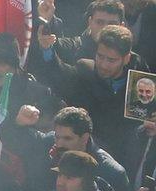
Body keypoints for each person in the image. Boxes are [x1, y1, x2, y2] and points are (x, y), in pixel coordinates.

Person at [35, 25, 147, 165]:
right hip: (82, 157)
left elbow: (140, 126)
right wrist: (47, 50)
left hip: (123, 160)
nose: (104, 65)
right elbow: (61, 76)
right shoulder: (85, 71)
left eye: (111, 60)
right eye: (100, 56)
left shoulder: (141, 84)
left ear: (126, 58)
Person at [2, 105, 131, 191]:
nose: (59, 144)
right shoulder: (48, 142)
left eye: (67, 139)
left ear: (85, 138)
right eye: (57, 137)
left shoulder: (109, 171)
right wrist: (18, 122)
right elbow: (15, 141)